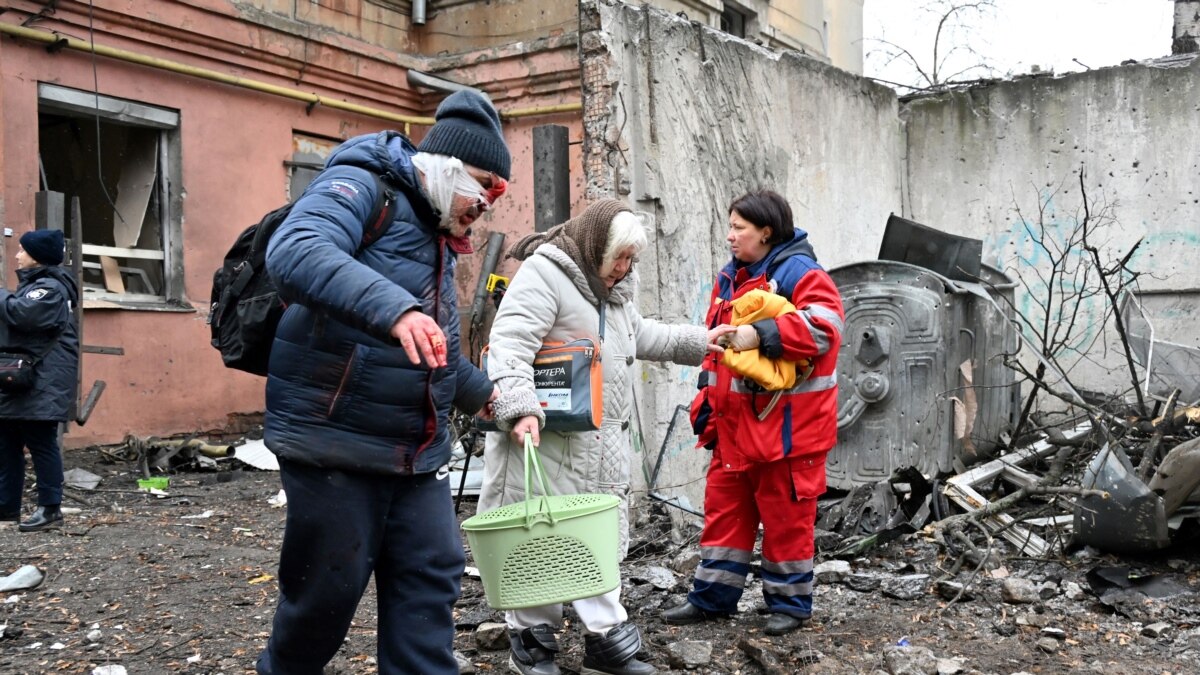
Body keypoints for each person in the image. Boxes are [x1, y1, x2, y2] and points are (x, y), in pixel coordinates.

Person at [255, 90, 511, 675]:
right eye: (483, 183)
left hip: (414, 455)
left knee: (433, 580)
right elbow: (295, 250)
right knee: (324, 598)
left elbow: (433, 350)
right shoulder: (361, 183)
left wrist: (490, 396)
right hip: (334, 441)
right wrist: (396, 310)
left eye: (498, 192)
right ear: (445, 167)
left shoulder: (439, 237)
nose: (487, 203)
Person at [480, 199, 735, 675]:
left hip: (601, 447)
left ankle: (605, 645)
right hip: (547, 442)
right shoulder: (545, 275)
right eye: (619, 257)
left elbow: (639, 335)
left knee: (595, 544)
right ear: (595, 246)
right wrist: (518, 407)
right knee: (541, 539)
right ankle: (533, 645)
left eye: (630, 260)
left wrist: (702, 342)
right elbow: (510, 345)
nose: (625, 267)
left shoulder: (611, 293)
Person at [662, 189, 844, 636]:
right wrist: (706, 410)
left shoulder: (801, 272)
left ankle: (791, 605)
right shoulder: (732, 277)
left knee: (786, 522)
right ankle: (711, 600)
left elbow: (827, 328)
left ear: (766, 232)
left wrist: (759, 334)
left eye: (738, 228)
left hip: (788, 432)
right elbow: (715, 354)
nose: (729, 236)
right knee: (725, 513)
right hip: (735, 431)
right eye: (730, 226)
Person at [0, 229, 79, 533]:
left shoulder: (50, 288)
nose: (17, 255)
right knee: (6, 444)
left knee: (41, 443)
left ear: (36, 256)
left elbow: (23, 315)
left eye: (22, 250)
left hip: (41, 381)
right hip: (21, 378)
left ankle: (50, 509)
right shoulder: (33, 286)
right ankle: (6, 509)